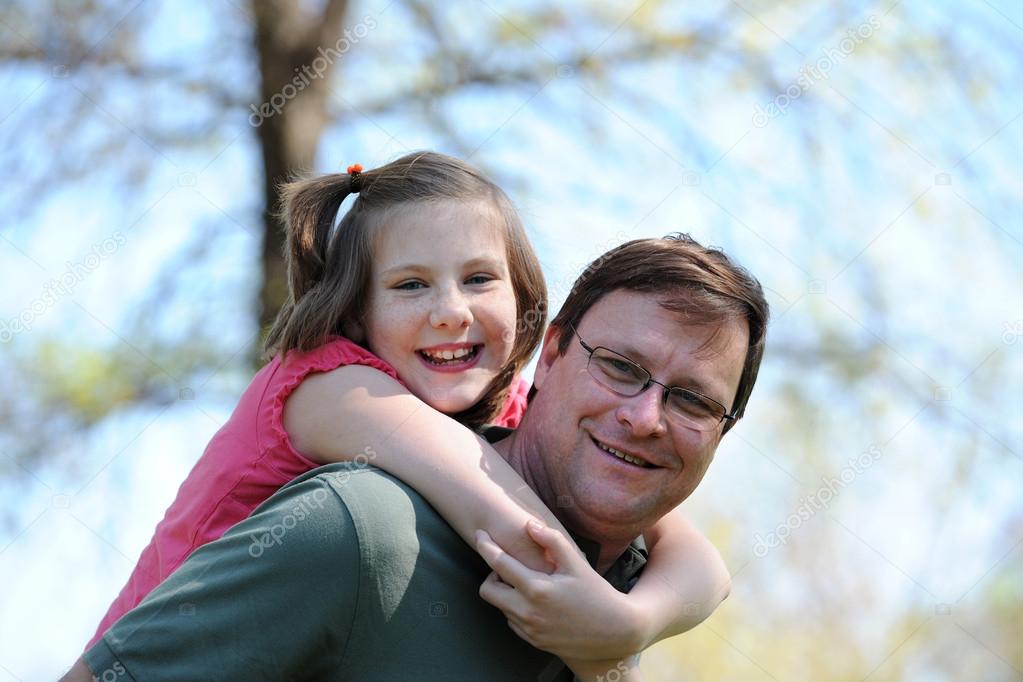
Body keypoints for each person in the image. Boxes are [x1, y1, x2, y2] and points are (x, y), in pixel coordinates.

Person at [83, 153, 734, 667]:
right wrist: (603, 654)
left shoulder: (495, 400)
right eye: (410, 285)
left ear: (524, 294)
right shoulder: (332, 389)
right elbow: (508, 523)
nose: (450, 309)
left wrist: (636, 621)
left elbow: (698, 561)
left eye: (479, 279)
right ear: (358, 309)